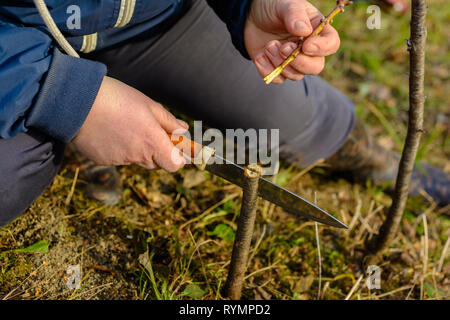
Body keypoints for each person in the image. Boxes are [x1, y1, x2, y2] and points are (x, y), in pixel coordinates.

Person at [0, 0, 448, 226]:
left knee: (293, 118)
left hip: (157, 20)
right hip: (15, 47)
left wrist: (250, 4)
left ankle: (383, 166)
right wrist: (65, 97)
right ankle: (61, 132)